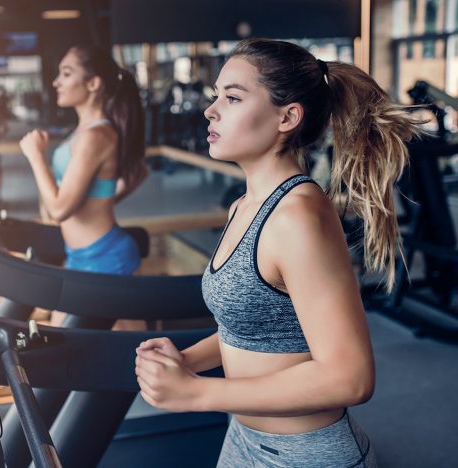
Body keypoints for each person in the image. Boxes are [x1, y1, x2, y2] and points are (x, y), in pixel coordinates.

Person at [135, 38, 420, 467]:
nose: (211, 110)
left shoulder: (298, 216)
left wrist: (199, 393)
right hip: (243, 439)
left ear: (287, 117)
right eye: (216, 96)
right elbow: (254, 329)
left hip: (307, 455)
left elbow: (352, 377)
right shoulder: (243, 207)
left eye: (232, 97)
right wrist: (187, 360)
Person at [19, 45, 148, 327]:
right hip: (77, 257)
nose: (57, 82)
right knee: (63, 347)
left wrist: (35, 155)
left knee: (124, 360)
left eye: (66, 74)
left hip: (108, 262)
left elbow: (59, 209)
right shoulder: (82, 133)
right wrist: (101, 201)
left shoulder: (97, 135)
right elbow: (138, 174)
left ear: (93, 83)